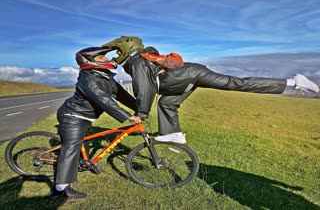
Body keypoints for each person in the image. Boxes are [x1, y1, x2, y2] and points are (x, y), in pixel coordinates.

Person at [102, 36, 320, 144]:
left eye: (116, 51)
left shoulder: (138, 62)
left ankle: (293, 81)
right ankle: (173, 134)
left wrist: (141, 114)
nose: (115, 55)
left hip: (189, 75)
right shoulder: (142, 59)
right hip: (183, 79)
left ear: (126, 49)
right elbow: (151, 85)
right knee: (167, 102)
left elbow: (144, 89)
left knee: (237, 83)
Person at [50, 43, 144, 199]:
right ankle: (60, 189)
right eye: (102, 56)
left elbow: (120, 95)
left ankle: (83, 163)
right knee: (71, 147)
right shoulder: (88, 78)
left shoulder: (104, 75)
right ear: (90, 61)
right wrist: (127, 116)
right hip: (73, 116)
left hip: (84, 117)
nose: (107, 58)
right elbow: (104, 99)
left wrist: (138, 107)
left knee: (84, 143)